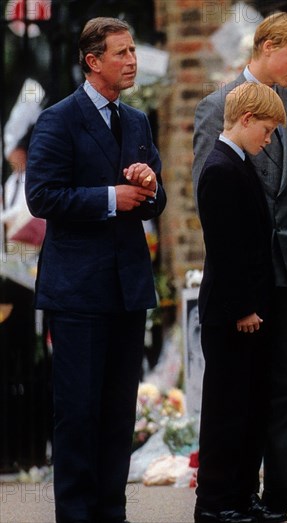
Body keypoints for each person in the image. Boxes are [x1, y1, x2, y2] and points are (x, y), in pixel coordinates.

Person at [25, 17, 166, 523]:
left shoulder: (137, 122)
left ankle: (112, 512)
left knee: (117, 414)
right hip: (78, 292)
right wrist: (111, 197)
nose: (132, 61)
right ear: (93, 61)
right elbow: (40, 196)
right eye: (122, 53)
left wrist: (150, 183)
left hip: (128, 287)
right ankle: (77, 515)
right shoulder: (59, 120)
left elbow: (155, 201)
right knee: (79, 413)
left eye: (133, 52)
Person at [192, 12, 287, 516]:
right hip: (247, 265)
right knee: (242, 384)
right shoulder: (218, 106)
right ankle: (236, 494)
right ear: (267, 46)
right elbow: (212, 191)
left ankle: (283, 487)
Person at [195, 81, 287, 523]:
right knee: (226, 409)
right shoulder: (220, 168)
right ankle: (215, 503)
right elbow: (226, 247)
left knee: (251, 406)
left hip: (250, 307)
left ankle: (243, 494)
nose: (268, 140)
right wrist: (243, 308)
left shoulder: (239, 163)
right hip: (232, 312)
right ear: (246, 119)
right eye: (266, 130)